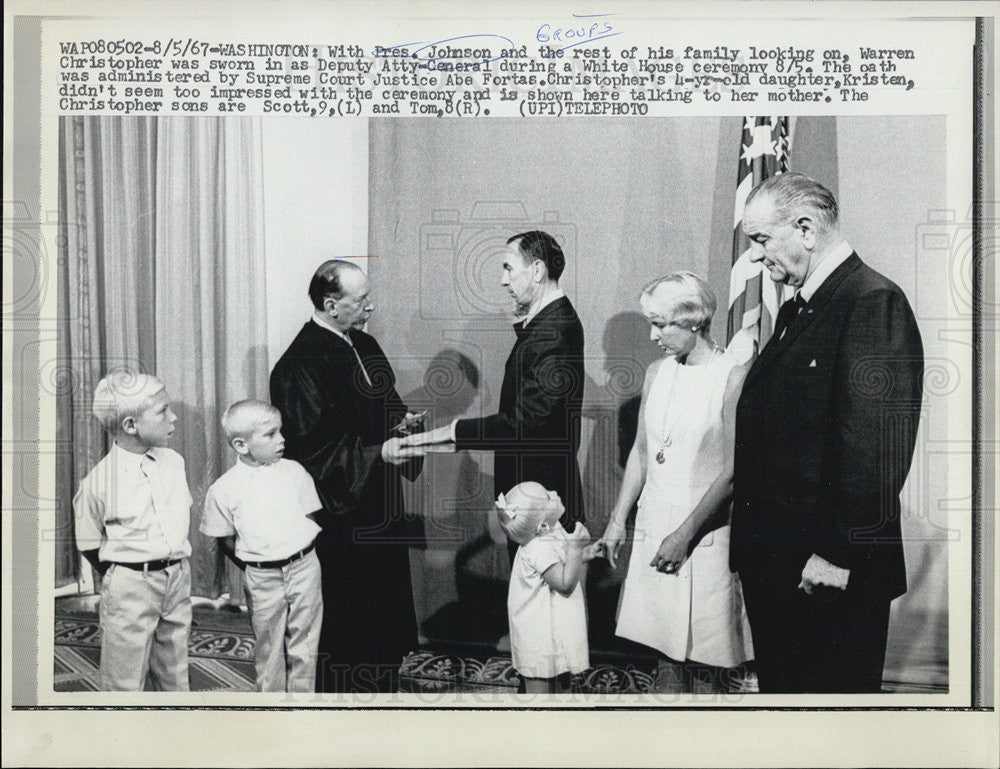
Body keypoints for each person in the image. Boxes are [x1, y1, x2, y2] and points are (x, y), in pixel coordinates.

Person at [731, 173, 924, 693]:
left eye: (761, 239)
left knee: (830, 729)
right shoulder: (803, 307)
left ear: (807, 228)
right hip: (783, 567)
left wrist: (838, 552)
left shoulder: (871, 301)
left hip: (827, 571)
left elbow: (875, 448)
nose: (753, 258)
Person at [269, 260, 425, 693]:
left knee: (384, 612)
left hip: (378, 497)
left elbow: (386, 401)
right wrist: (378, 452)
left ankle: (382, 685)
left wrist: (403, 423)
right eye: (362, 300)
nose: (371, 306)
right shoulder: (299, 364)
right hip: (343, 515)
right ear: (331, 304)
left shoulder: (364, 344)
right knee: (351, 619)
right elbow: (310, 449)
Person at [598, 273, 753, 693]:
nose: (652, 335)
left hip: (705, 533)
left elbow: (733, 472)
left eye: (662, 324)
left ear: (694, 322)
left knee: (704, 659)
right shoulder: (656, 372)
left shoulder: (732, 376)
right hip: (655, 525)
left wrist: (683, 536)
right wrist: (617, 522)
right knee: (664, 653)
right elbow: (642, 452)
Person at [402, 231, 586, 560]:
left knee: (538, 606)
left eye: (508, 268)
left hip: (539, 502)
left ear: (537, 271)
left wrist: (446, 434)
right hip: (534, 497)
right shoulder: (547, 324)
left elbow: (527, 421)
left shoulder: (553, 331)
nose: (503, 281)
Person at [73, 371, 193, 691]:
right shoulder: (98, 482)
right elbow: (88, 542)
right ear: (130, 426)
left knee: (175, 669)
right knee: (124, 677)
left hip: (178, 577)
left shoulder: (174, 462)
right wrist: (127, 573)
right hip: (130, 585)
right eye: (163, 410)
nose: (174, 416)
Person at [201, 400, 324, 693]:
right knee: (268, 648)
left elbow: (311, 515)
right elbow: (225, 539)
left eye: (280, 431)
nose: (281, 440)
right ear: (242, 445)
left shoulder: (295, 472)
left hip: (305, 567)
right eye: (270, 434)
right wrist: (259, 564)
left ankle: (303, 708)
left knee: (305, 645)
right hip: (262, 577)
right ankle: (271, 711)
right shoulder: (223, 489)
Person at [496, 481, 598, 693]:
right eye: (547, 497)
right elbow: (564, 584)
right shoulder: (537, 549)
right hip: (539, 638)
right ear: (542, 526)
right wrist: (576, 548)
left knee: (557, 689)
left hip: (550, 628)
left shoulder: (550, 531)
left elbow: (563, 561)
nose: (553, 492)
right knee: (540, 697)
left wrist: (587, 552)